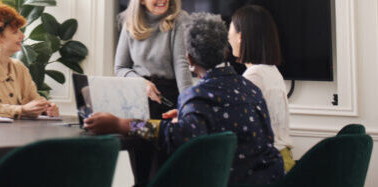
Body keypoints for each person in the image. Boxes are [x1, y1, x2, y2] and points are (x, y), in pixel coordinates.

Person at [86, 12, 284, 185]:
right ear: (225, 52)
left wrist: (122, 124)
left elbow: (176, 136)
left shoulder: (198, 95)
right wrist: (188, 114)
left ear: (189, 59)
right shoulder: (250, 89)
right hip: (270, 179)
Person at [0, 0, 59, 119]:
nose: (22, 35)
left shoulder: (20, 68)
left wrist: (47, 108)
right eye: (15, 32)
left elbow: (35, 100)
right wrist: (21, 110)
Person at [115, 0, 192, 119]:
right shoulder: (129, 22)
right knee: (134, 140)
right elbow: (120, 68)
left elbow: (181, 64)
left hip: (168, 97)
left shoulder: (179, 19)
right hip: (136, 96)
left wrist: (188, 105)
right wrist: (141, 83)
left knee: (164, 139)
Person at [228, 4, 295, 172]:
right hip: (282, 158)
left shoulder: (254, 76)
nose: (228, 39)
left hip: (267, 165)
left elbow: (240, 126)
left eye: (230, 33)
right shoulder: (272, 71)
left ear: (240, 37)